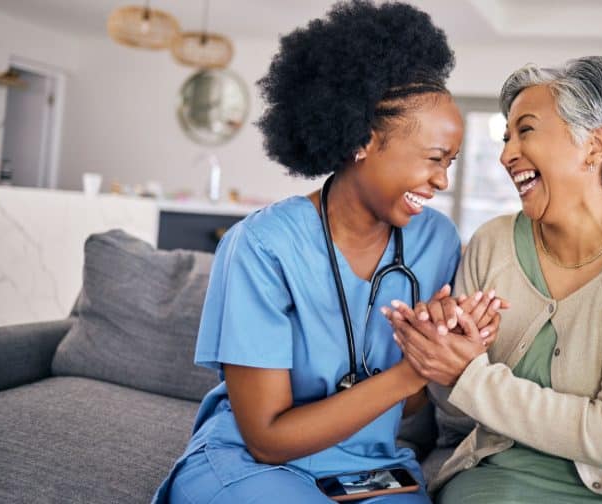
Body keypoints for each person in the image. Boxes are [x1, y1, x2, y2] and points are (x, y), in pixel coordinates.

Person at [152, 2, 502, 503]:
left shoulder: (435, 241)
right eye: (433, 159)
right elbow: (267, 439)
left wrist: (445, 347)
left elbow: (408, 412)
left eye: (450, 162)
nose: (442, 181)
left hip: (370, 466)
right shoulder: (261, 246)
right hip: (257, 464)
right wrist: (412, 369)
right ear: (363, 139)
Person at [386, 56, 602, 503]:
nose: (506, 154)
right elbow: (455, 414)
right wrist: (441, 347)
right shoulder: (492, 242)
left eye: (526, 130)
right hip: (497, 477)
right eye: (506, 137)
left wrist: (469, 372)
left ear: (594, 145)